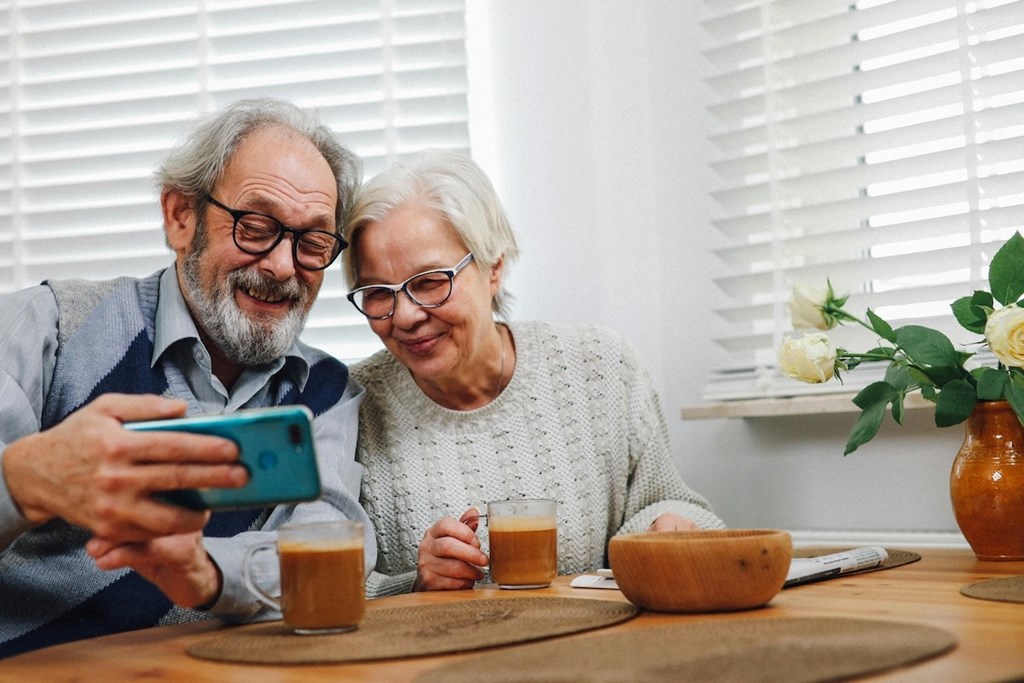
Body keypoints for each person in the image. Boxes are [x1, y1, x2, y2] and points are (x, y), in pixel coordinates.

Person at [0, 98, 374, 657]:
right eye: (255, 226)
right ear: (181, 217)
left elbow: (330, 553)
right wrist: (24, 482)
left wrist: (206, 574)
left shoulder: (324, 394)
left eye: (313, 242)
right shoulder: (49, 326)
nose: (281, 265)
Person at [341, 150, 724, 597]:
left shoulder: (600, 367)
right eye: (376, 292)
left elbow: (667, 500)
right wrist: (415, 582)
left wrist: (667, 526)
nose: (404, 316)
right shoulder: (350, 407)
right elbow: (321, 585)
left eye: (429, 282)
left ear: (494, 267)